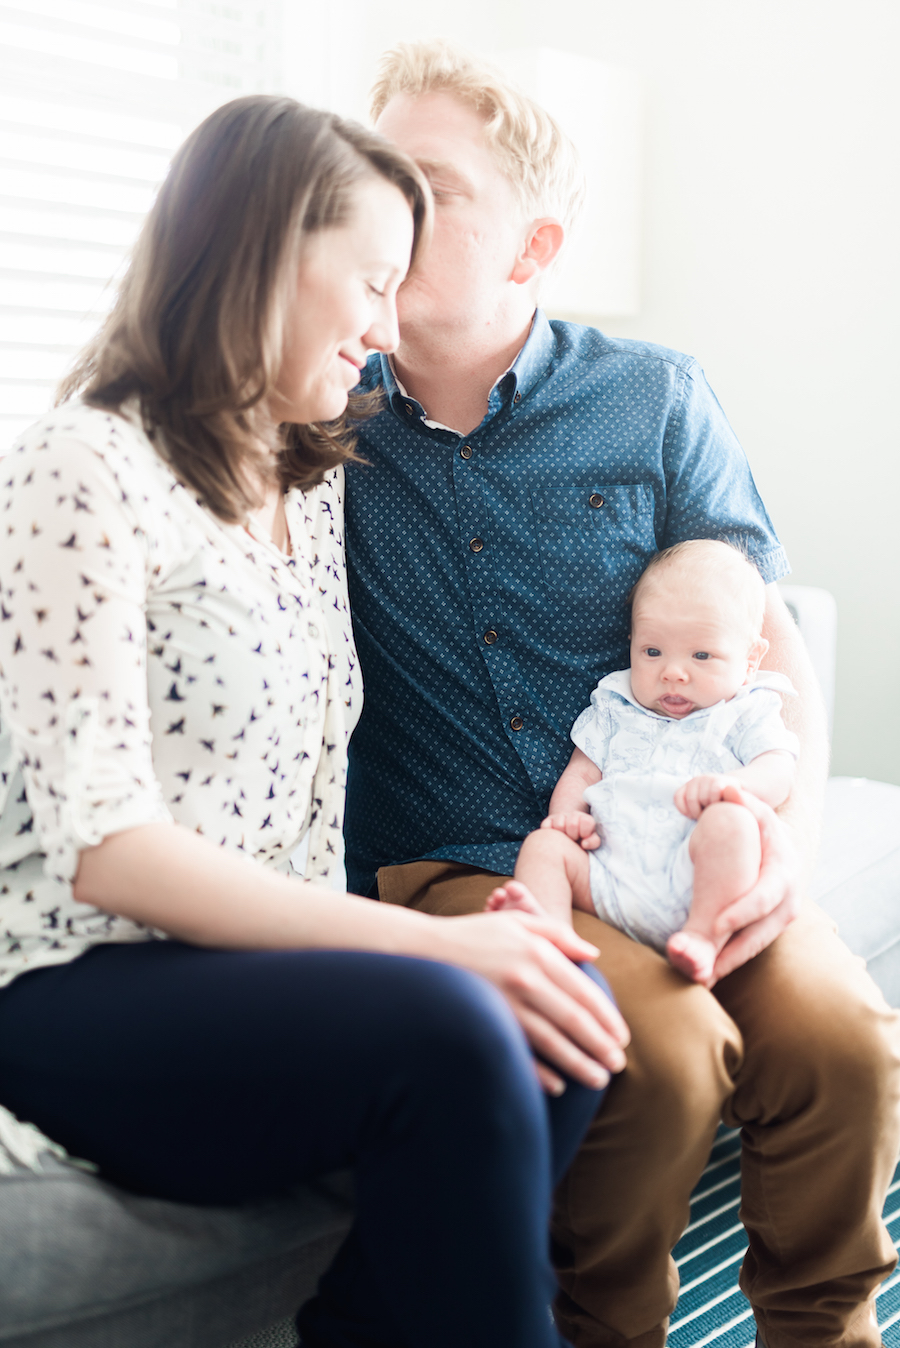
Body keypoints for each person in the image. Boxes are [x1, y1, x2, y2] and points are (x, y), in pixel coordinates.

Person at [0, 94, 631, 1348]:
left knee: (559, 1021)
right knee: (462, 1023)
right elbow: (108, 848)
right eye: (374, 284)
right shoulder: (82, 466)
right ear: (267, 252)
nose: (391, 329)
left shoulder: (311, 480)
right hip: (74, 975)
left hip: (263, 969)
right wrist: (436, 951)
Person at [342, 39, 900, 1348]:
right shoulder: (320, 422)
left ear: (533, 250)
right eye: (368, 176)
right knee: (653, 1053)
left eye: (426, 186)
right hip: (466, 861)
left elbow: (768, 642)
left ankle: (824, 1332)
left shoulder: (653, 401)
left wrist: (784, 851)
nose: (379, 208)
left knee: (844, 1045)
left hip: (689, 832)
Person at [487, 540, 799, 988]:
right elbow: (582, 770)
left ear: (750, 660)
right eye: (652, 652)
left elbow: (779, 767)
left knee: (732, 824)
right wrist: (568, 819)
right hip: (608, 871)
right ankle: (548, 932)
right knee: (544, 847)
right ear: (632, 640)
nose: (673, 672)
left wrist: (735, 787)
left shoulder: (747, 709)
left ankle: (703, 936)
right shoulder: (615, 701)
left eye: (701, 655)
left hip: (695, 879)